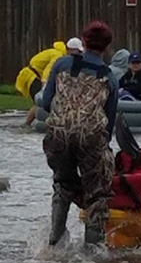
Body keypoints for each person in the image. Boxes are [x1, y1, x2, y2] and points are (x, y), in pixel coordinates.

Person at [40, 21, 119, 247]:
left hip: (57, 134)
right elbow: (109, 122)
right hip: (92, 137)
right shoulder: (109, 77)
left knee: (62, 184)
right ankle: (93, 254)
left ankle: (54, 242)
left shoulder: (61, 64)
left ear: (83, 42)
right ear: (106, 48)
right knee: (97, 194)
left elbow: (46, 102)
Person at [15, 41, 68, 127]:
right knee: (40, 101)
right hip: (32, 77)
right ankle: (27, 124)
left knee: (38, 103)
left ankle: (28, 123)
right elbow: (48, 70)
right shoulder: (57, 55)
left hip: (29, 75)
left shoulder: (53, 51)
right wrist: (45, 84)